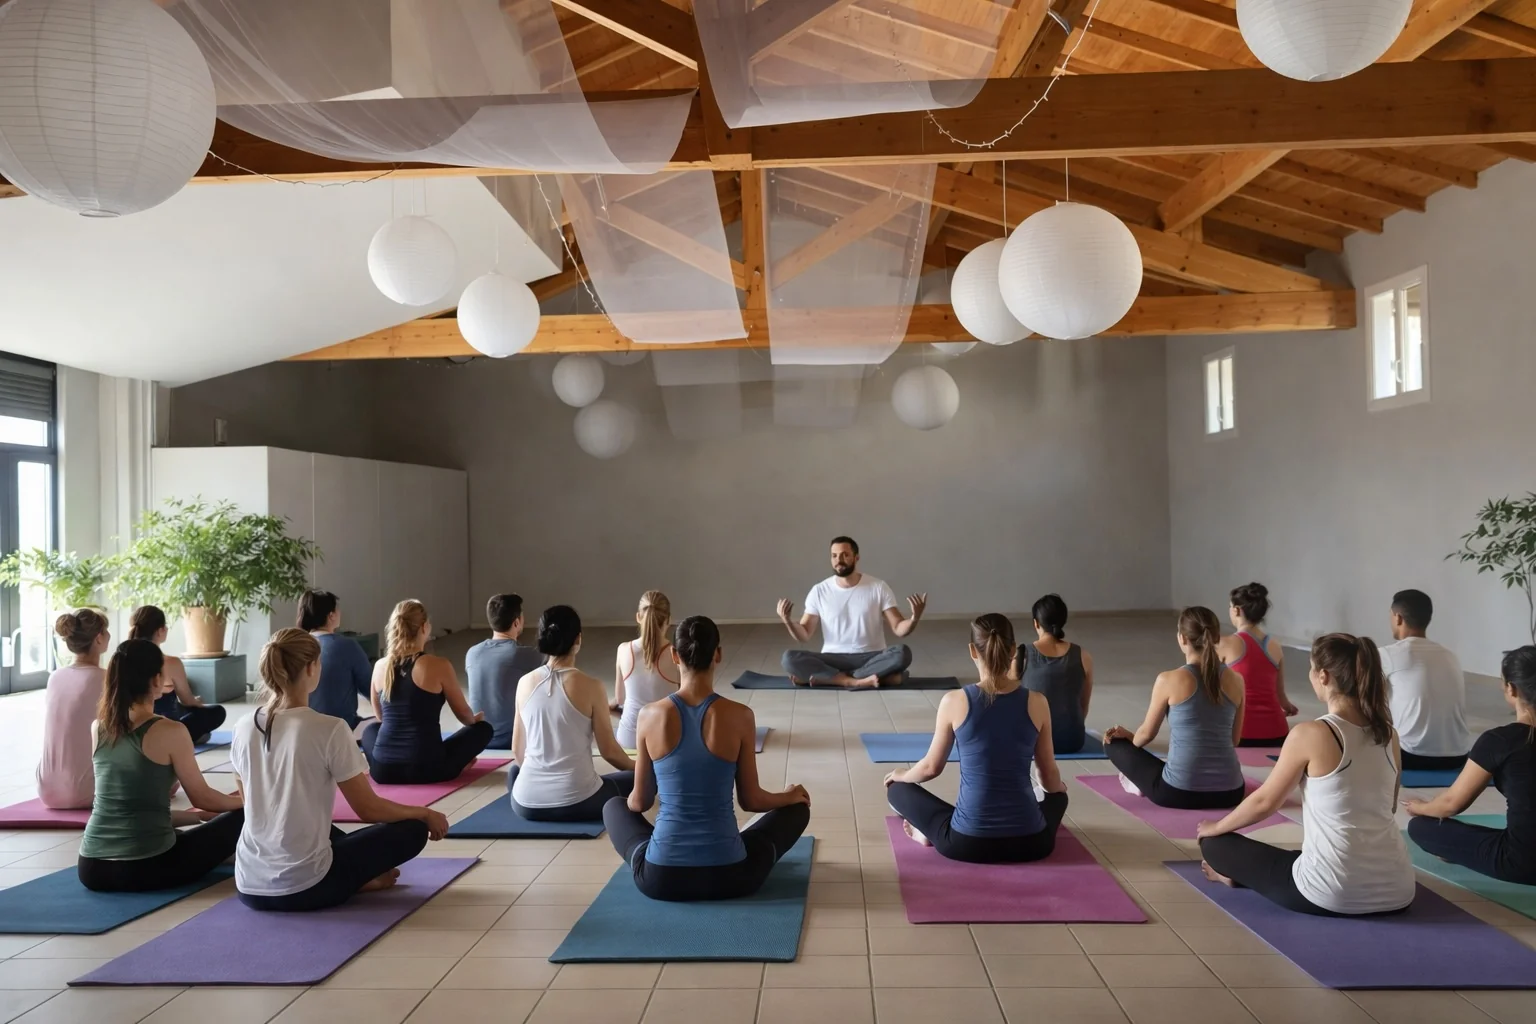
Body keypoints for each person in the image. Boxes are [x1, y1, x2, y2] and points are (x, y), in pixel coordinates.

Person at [1197, 633, 1415, 916]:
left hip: (1331, 894)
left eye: (1312, 669)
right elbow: (1390, 806)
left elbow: (1265, 802)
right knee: (1294, 857)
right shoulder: (1389, 735)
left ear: (1323, 676)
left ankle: (1238, 875)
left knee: (1215, 845)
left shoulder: (1312, 733)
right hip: (1398, 889)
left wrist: (1215, 828)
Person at [233, 629, 449, 912]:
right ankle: (357, 882)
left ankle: (352, 878)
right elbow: (368, 809)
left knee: (316, 829)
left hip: (249, 884)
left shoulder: (243, 727)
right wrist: (423, 812)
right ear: (312, 667)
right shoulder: (329, 729)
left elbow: (251, 805)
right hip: (306, 887)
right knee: (413, 830)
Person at [604, 615, 810, 901]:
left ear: (674, 655)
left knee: (614, 806)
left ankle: (659, 849)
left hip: (661, 879)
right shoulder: (740, 715)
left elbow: (639, 802)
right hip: (732, 876)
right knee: (798, 810)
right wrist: (788, 796)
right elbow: (751, 800)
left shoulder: (649, 716)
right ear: (718, 654)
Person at [886, 614, 1068, 863]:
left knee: (897, 791)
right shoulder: (1037, 702)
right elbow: (1047, 776)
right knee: (1059, 795)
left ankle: (928, 832)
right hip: (1033, 844)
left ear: (973, 650)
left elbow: (930, 768)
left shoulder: (954, 701)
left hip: (966, 844)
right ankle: (937, 829)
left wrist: (900, 775)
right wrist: (1057, 789)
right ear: (1013, 650)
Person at [76, 639, 245, 892]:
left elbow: (126, 805)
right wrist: (247, 802)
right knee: (243, 817)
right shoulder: (171, 730)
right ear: (156, 680)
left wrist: (195, 817)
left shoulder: (98, 728)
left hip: (91, 869)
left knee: (199, 827)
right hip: (147, 867)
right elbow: (204, 798)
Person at [1405, 646, 1536, 885]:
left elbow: (1451, 804)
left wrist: (1420, 807)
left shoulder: (1501, 741)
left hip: (1521, 863)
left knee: (1420, 827)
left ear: (1511, 688)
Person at [1103, 607, 1247, 810]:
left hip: (1178, 793)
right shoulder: (1237, 680)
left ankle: (1139, 781)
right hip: (1231, 793)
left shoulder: (1168, 679)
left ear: (1182, 638)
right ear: (1216, 637)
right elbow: (1234, 740)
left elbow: (1146, 735)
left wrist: (1127, 739)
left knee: (1113, 743)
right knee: (1170, 764)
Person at [508, 606, 635, 821]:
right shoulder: (592, 686)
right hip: (579, 801)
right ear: (578, 640)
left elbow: (517, 751)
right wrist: (643, 770)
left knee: (514, 772)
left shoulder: (524, 683)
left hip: (525, 804)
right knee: (637, 779)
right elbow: (610, 752)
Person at [361, 600, 494, 785]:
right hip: (429, 769)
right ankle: (457, 764)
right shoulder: (438, 665)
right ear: (424, 627)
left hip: (383, 771)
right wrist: (474, 721)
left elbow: (380, 717)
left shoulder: (380, 666)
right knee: (483, 729)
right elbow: (464, 715)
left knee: (371, 730)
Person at [776, 536, 926, 688]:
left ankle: (829, 678)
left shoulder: (878, 587)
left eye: (845, 555)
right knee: (789, 658)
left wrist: (914, 618)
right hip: (832, 657)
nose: (839, 560)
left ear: (856, 557)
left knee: (902, 653)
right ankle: (859, 680)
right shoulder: (819, 590)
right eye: (834, 556)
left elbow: (898, 628)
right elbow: (804, 634)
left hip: (871, 657)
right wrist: (787, 620)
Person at [1379, 589, 1471, 772]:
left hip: (1410, 757)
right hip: (1458, 756)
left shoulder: (1387, 654)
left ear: (1398, 618)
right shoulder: (1450, 656)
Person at [37, 610, 110, 809]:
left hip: (47, 792)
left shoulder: (55, 677)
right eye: (107, 630)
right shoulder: (106, 678)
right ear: (98, 638)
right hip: (86, 792)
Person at [131, 606, 226, 745]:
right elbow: (187, 699)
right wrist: (197, 701)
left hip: (131, 727)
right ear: (160, 631)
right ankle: (187, 736)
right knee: (217, 712)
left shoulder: (122, 659)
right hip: (165, 730)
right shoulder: (171, 663)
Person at [1216, 583, 1296, 746]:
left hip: (1239, 734)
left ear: (1237, 610)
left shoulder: (1225, 644)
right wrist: (1288, 707)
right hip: (1278, 733)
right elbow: (1281, 696)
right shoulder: (1275, 645)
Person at [1016, 594, 1095, 755]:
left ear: (1036, 623)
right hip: (1072, 740)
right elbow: (1083, 705)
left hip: (1033, 742)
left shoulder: (1022, 655)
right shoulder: (1083, 655)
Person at [465, 593, 544, 750]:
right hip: (512, 738)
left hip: (479, 738)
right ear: (516, 622)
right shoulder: (525, 654)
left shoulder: (472, 653)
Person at [612, 590, 680, 750]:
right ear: (669, 620)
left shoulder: (623, 650)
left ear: (638, 617)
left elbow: (619, 699)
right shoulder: (676, 654)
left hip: (629, 740)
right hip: (665, 742)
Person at [299, 590, 372, 731]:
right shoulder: (346, 646)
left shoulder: (296, 647)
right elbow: (371, 689)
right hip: (342, 729)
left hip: (302, 729)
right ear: (331, 616)